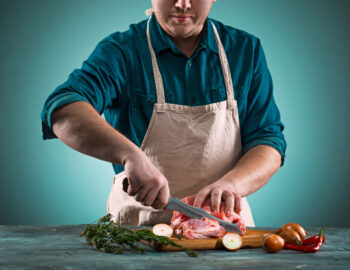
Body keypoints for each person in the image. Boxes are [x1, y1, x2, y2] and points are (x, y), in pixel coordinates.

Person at [41, 0, 286, 227]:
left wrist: (233, 184)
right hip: (139, 228)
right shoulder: (121, 51)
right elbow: (63, 110)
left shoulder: (246, 51)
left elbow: (268, 142)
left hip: (223, 225)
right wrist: (129, 155)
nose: (182, 3)